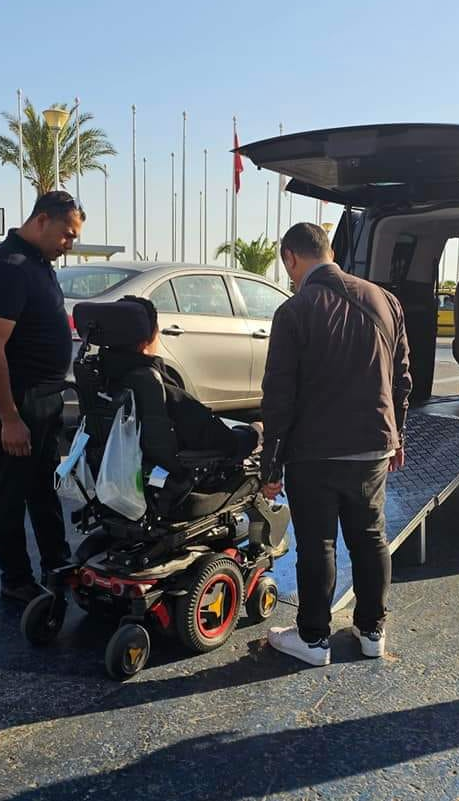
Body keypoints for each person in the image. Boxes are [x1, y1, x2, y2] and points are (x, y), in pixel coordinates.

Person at [260, 222, 412, 666]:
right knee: (370, 537)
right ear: (328, 251)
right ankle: (372, 632)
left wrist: (271, 466)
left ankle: (312, 639)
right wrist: (397, 435)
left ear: (291, 257)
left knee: (318, 543)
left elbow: (279, 397)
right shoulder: (386, 301)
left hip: (315, 452)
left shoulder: (294, 311)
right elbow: (402, 379)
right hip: (373, 447)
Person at [0, 191, 84, 603]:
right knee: (9, 490)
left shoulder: (38, 262)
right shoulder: (11, 266)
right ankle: (16, 580)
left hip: (45, 396)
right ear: (42, 220)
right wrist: (9, 418)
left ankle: (55, 561)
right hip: (20, 399)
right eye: (66, 235)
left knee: (42, 484)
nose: (69, 244)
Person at [98, 296, 260, 480]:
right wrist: (254, 432)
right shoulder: (152, 384)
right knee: (252, 435)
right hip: (169, 475)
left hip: (116, 470)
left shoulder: (99, 375)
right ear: (149, 337)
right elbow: (217, 437)